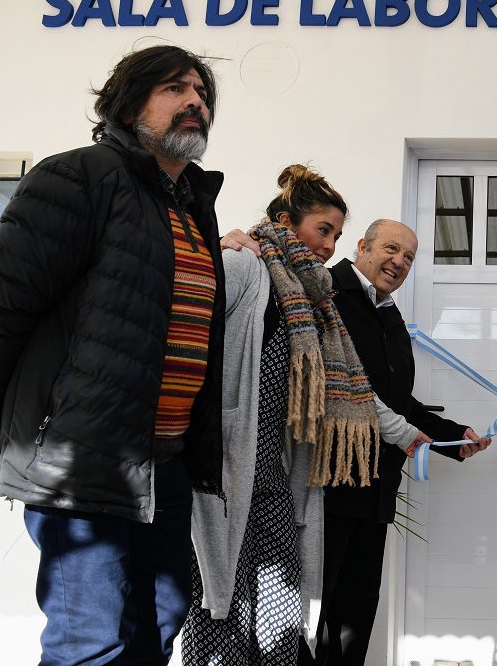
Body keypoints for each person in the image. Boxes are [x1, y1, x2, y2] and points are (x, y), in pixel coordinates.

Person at [0, 46, 224, 663]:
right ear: (129, 104)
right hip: (84, 458)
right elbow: (6, 303)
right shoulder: (79, 177)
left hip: (165, 463)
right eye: (176, 89)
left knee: (158, 623)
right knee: (88, 641)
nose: (195, 102)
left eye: (203, 94)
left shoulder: (190, 208)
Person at [183, 166, 426, 664]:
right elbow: (186, 315)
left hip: (277, 475)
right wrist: (212, 246)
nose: (329, 245)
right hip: (228, 470)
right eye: (323, 230)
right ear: (285, 220)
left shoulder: (316, 303)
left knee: (279, 620)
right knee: (217, 609)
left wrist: (405, 433)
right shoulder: (245, 266)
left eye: (335, 234)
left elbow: (352, 389)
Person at [222, 218, 491, 665]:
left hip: (377, 489)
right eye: (391, 248)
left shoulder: (391, 317)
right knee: (296, 617)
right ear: (363, 246)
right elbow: (326, 385)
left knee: (353, 619)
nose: (399, 261)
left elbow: (394, 402)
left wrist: (451, 437)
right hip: (326, 485)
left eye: (408, 257)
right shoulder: (327, 294)